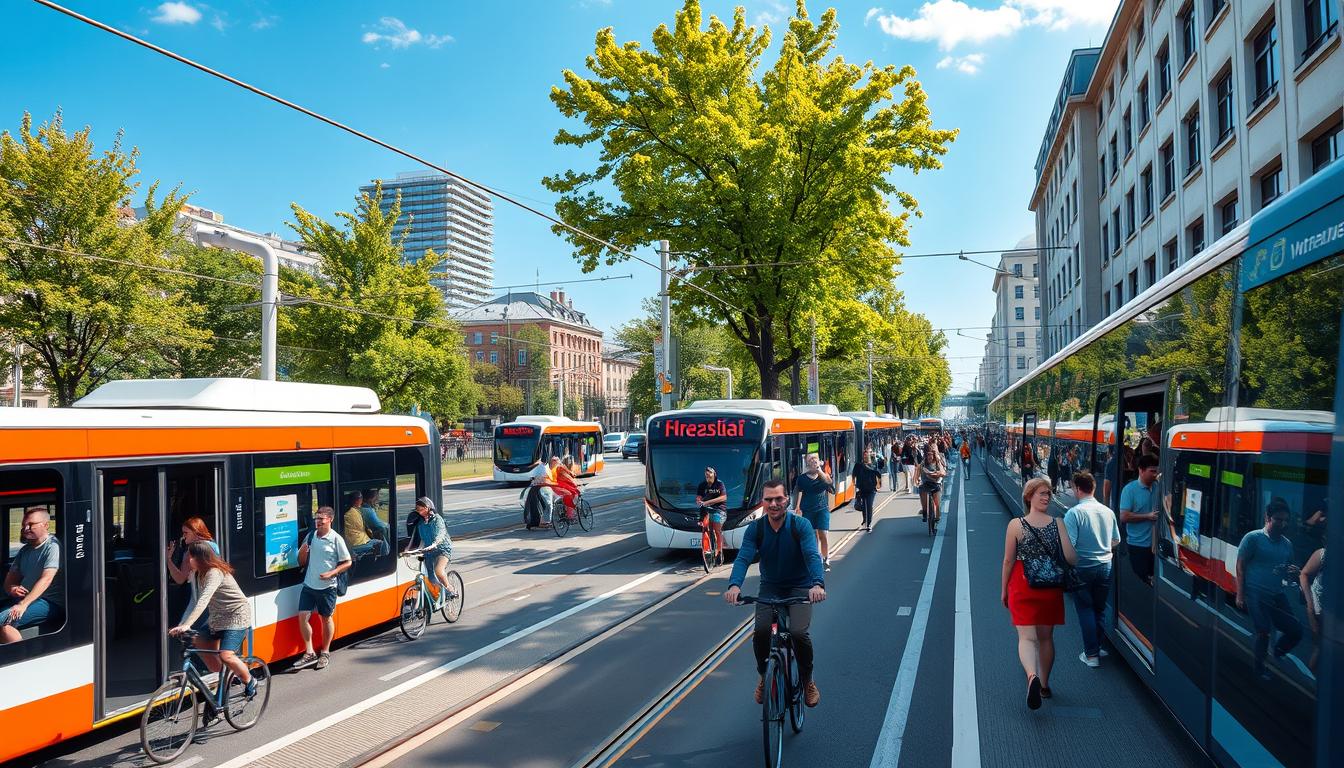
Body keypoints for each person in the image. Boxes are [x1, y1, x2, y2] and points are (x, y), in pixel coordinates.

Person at [723, 479, 826, 708]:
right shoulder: (756, 528)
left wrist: (817, 584)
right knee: (760, 632)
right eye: (769, 499)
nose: (773, 504)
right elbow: (743, 558)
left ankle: (808, 681)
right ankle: (763, 676)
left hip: (800, 587)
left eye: (778, 499)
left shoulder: (800, 525)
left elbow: (811, 555)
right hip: (770, 587)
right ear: (763, 502)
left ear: (786, 499)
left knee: (798, 633)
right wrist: (734, 586)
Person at [1001, 478, 1078, 709]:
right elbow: (1072, 558)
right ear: (1030, 496)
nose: (1047, 497)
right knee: (1046, 638)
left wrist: (1003, 589)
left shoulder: (1016, 524)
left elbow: (1008, 561)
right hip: (1050, 586)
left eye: (1048, 493)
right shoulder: (1058, 524)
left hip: (1022, 585)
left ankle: (1031, 676)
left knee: (1026, 638)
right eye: (1043, 493)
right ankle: (1044, 685)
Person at [168, 541, 257, 699]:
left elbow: (204, 600)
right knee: (198, 640)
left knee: (226, 655)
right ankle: (223, 677)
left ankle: (250, 680)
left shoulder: (214, 573)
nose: (189, 561)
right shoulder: (198, 574)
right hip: (217, 618)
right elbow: (196, 601)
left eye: (191, 557)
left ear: (200, 558)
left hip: (236, 617)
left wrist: (188, 624)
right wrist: (183, 625)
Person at [1236, 499, 1303, 681]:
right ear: (1267, 518)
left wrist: (1294, 573)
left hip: (1276, 594)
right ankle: (1259, 668)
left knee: (1296, 630)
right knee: (1263, 630)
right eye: (1278, 520)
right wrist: (1240, 594)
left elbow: (1287, 571)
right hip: (1255, 593)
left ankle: (1279, 652)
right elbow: (1240, 565)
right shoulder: (1253, 538)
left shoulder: (1287, 545)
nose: (1283, 524)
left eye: (1285, 521)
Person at [1062, 471, 1119, 668]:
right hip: (1105, 565)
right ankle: (1098, 646)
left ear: (1078, 489)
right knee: (1099, 608)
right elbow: (1116, 540)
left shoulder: (1074, 513)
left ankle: (1091, 654)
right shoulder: (1107, 511)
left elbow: (1070, 545)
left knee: (1085, 608)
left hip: (1083, 567)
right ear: (1093, 488)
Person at [293, 507, 352, 671]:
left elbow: (347, 562)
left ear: (330, 520)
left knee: (325, 619)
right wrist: (303, 552)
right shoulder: (311, 536)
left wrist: (332, 573)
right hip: (309, 585)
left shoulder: (335, 539)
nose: (317, 521)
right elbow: (301, 561)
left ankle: (325, 652)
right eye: (316, 518)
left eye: (321, 519)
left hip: (327, 587)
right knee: (302, 617)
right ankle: (309, 652)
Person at [0, 507, 63, 644]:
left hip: (48, 602)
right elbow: (10, 580)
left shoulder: (53, 546)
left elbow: (46, 579)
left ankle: (19, 660)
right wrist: (12, 588)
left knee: (3, 622)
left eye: (31, 524)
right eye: (24, 525)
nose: (26, 528)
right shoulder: (25, 550)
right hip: (27, 600)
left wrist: (23, 604)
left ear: (45, 525)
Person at [1119, 454, 1159, 586]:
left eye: (1156, 471)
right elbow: (1124, 516)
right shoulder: (1129, 490)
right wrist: (1147, 516)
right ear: (1141, 470)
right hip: (1138, 546)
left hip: (1155, 545)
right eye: (1152, 471)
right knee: (1143, 579)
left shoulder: (1158, 487)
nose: (1155, 475)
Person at [407, 496, 455, 599]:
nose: (419, 512)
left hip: (442, 549)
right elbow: (419, 539)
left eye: (421, 509)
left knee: (438, 570)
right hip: (429, 551)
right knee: (428, 576)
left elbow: (441, 533)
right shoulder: (420, 523)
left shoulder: (437, 519)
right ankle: (439, 593)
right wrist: (408, 549)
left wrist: (435, 543)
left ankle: (450, 590)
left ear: (428, 508)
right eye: (417, 510)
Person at [793, 453, 836, 568]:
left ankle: (826, 558)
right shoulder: (802, 478)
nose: (813, 460)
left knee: (823, 534)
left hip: (822, 509)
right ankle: (816, 558)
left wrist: (820, 471)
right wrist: (797, 507)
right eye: (810, 459)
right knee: (812, 536)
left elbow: (830, 484)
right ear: (807, 463)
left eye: (815, 458)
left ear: (819, 461)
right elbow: (799, 492)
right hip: (807, 510)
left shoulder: (823, 476)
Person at [1298, 545, 1325, 672]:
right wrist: (1310, 604)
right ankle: (1311, 684)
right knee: (1320, 646)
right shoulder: (1324, 554)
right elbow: (1304, 574)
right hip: (1318, 608)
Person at [696, 467, 728, 560]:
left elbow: (723, 497)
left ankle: (719, 553)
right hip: (706, 510)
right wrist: (699, 501)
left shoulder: (719, 484)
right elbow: (699, 497)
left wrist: (708, 502)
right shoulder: (702, 485)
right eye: (706, 473)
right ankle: (708, 548)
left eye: (709, 473)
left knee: (717, 530)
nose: (707, 474)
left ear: (714, 474)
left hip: (719, 510)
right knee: (707, 528)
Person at [341, 491, 384, 560]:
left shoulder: (353, 510)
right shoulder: (352, 513)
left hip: (358, 540)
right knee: (382, 544)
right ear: (359, 500)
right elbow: (363, 527)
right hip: (358, 543)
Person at [917, 441, 948, 530]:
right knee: (921, 490)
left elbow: (943, 472)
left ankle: (937, 519)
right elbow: (918, 473)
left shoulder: (937, 462)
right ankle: (924, 512)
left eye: (931, 455)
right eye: (928, 455)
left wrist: (938, 473)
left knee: (937, 504)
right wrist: (918, 479)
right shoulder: (922, 463)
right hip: (926, 484)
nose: (930, 457)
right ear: (926, 456)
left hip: (935, 484)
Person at [851, 449, 883, 534]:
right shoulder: (859, 465)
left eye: (867, 455)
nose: (865, 456)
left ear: (869, 455)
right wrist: (854, 484)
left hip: (871, 489)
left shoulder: (873, 464)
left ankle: (869, 524)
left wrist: (879, 484)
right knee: (864, 506)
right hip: (862, 488)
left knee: (869, 505)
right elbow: (854, 474)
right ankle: (864, 520)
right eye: (864, 455)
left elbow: (878, 474)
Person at [525, 456, 559, 528]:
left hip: (538, 488)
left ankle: (539, 522)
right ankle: (542, 522)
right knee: (545, 505)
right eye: (554, 462)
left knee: (541, 505)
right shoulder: (543, 467)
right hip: (539, 488)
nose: (555, 464)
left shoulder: (544, 466)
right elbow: (542, 479)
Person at [553, 456, 582, 521]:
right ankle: (570, 515)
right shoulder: (561, 467)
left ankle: (566, 512)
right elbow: (569, 477)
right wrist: (576, 482)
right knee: (574, 494)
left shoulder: (554, 467)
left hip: (555, 485)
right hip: (562, 485)